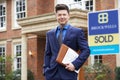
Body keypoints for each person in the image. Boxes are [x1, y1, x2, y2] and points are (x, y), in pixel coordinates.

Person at [43, 4, 90, 80]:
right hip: (51, 74)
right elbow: (47, 53)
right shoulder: (50, 34)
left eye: (64, 14)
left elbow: (86, 50)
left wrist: (75, 65)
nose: (62, 17)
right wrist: (46, 70)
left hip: (68, 73)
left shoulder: (77, 32)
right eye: (59, 15)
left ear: (68, 16)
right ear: (56, 16)